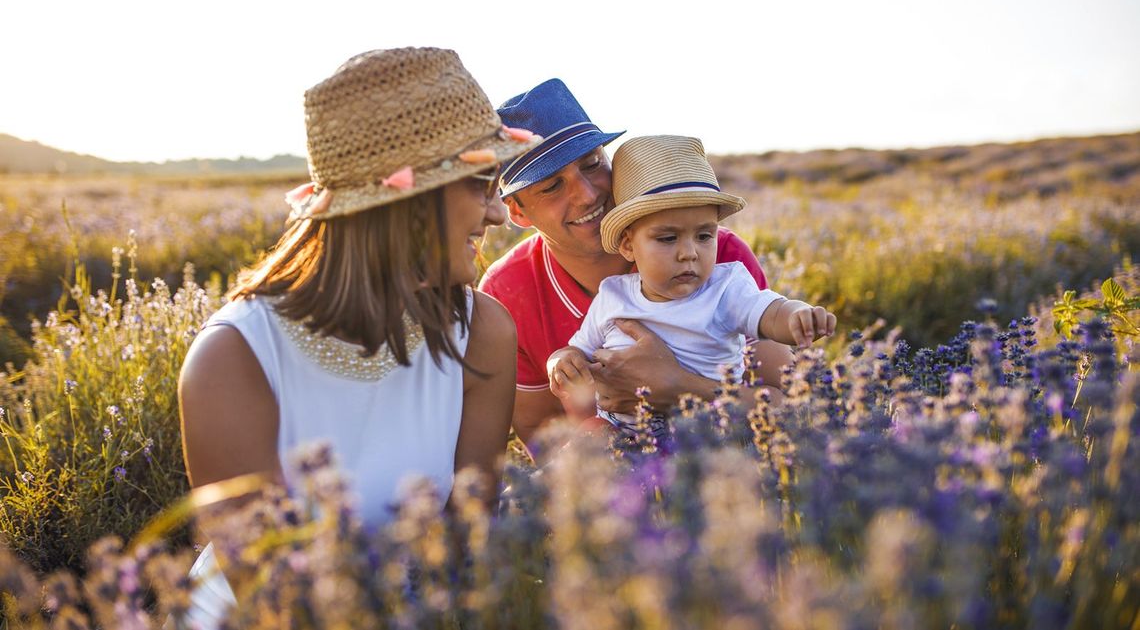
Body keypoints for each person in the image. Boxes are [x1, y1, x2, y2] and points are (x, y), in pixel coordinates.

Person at [175, 47, 539, 628]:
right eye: (480, 185)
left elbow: (468, 540)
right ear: (407, 205)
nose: (498, 213)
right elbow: (271, 596)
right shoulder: (235, 358)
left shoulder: (482, 333)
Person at [479, 79, 795, 449]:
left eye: (593, 164)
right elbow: (546, 449)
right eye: (552, 186)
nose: (587, 193)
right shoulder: (507, 292)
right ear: (517, 211)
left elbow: (788, 409)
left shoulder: (714, 255)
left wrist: (677, 386)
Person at [546, 135, 836, 429]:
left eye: (704, 236)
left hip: (705, 429)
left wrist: (799, 316)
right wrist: (561, 360)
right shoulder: (613, 294)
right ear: (628, 244)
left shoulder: (726, 288)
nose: (689, 253)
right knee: (591, 433)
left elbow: (772, 313)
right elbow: (579, 350)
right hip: (625, 434)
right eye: (668, 238)